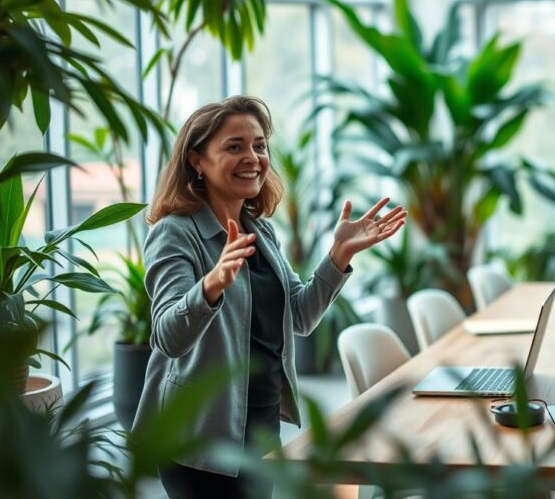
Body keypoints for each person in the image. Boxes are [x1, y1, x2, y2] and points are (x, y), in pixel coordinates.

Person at [133, 96, 406, 498]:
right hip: (199, 436)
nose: (253, 157)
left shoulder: (261, 231)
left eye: (259, 145)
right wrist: (211, 285)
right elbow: (167, 336)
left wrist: (339, 256)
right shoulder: (175, 232)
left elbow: (300, 316)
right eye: (234, 146)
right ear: (197, 161)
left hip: (260, 423)